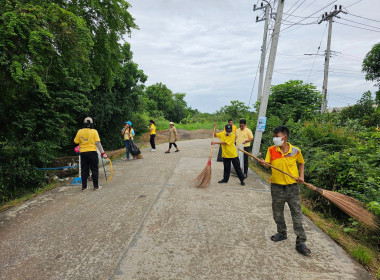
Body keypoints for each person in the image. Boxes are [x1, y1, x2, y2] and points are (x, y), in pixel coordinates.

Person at [259, 126, 311, 256]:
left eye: (277, 136)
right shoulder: (271, 150)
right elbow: (267, 163)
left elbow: (301, 163)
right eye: (274, 136)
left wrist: (301, 176)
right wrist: (264, 163)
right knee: (277, 213)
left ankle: (301, 242)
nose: (275, 139)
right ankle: (282, 233)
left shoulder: (295, 151)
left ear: (285, 137)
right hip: (277, 187)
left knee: (297, 214)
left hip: (292, 187)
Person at [74, 117, 107, 191]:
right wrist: (102, 153)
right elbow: (98, 143)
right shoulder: (94, 131)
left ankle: (84, 187)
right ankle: (96, 186)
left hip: (83, 153)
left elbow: (76, 141)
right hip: (92, 152)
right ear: (91, 124)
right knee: (94, 169)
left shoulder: (80, 131)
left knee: (84, 170)